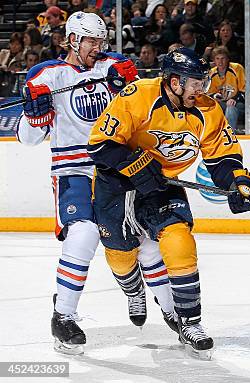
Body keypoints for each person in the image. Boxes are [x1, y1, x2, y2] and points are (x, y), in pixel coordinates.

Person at [16, 11, 174, 355]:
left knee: (146, 238)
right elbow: (28, 139)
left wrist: (126, 86)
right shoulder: (47, 75)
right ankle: (64, 316)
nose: (98, 47)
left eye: (101, 41)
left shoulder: (111, 67)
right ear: (73, 39)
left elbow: (138, 100)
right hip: (73, 172)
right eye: (91, 41)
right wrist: (33, 111)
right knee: (84, 234)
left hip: (115, 170)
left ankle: (173, 309)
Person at [87, 47, 250, 357]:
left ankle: (190, 322)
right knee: (121, 258)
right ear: (174, 82)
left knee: (179, 240)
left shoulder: (207, 110)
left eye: (202, 82)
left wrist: (238, 181)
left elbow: (223, 156)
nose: (200, 89)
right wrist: (135, 163)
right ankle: (134, 290)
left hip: (161, 185)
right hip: (115, 185)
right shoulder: (138, 94)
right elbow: (100, 146)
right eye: (194, 83)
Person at [208, 46, 246, 132]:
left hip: (239, 103)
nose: (220, 62)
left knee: (230, 107)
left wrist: (234, 98)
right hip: (222, 104)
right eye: (217, 58)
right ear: (214, 60)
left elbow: (244, 90)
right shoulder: (211, 73)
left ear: (228, 59)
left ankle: (229, 134)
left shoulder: (237, 68)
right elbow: (209, 93)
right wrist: (215, 96)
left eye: (223, 58)